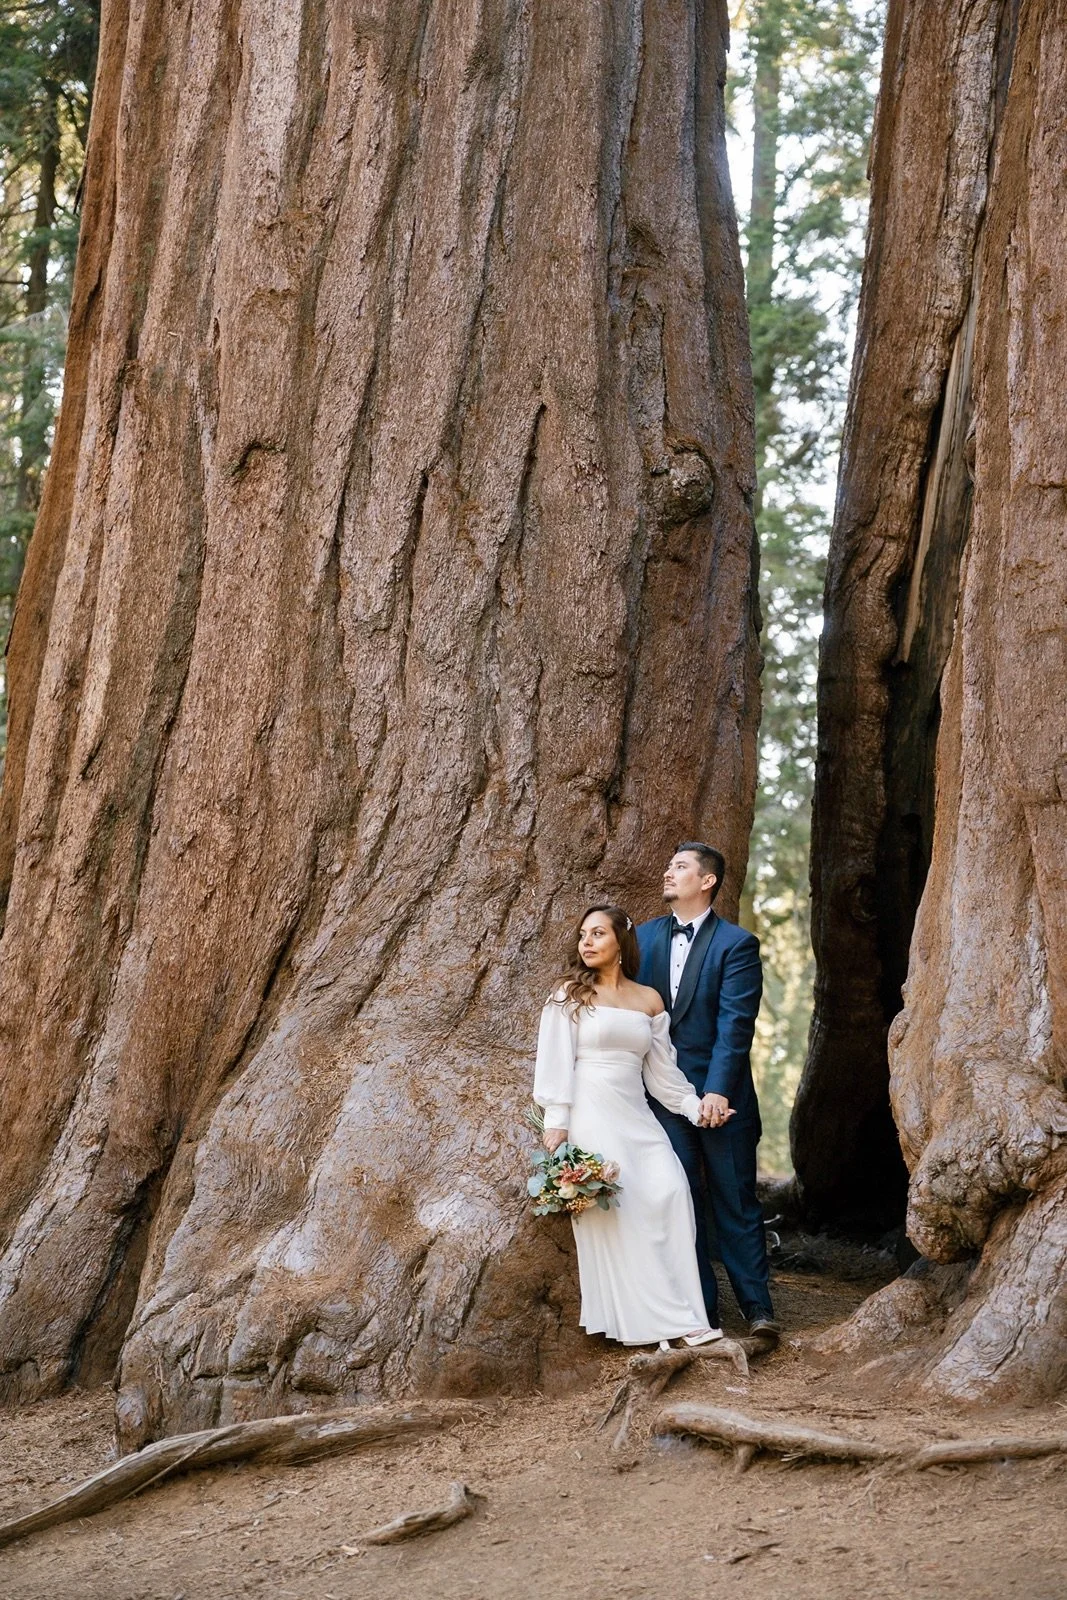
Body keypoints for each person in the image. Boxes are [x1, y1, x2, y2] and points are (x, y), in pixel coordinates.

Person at [533, 904, 725, 1347]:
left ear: (621, 942)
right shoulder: (568, 994)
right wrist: (556, 1123)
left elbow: (662, 1075)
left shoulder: (648, 999)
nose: (587, 942)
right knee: (623, 1207)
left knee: (671, 1191)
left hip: (636, 1114)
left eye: (598, 933)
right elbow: (554, 1062)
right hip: (591, 1112)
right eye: (583, 934)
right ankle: (657, 1323)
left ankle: (687, 1313)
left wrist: (696, 1108)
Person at [636, 843, 779, 1343]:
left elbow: (735, 1025)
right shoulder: (641, 938)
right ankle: (703, 1314)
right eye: (669, 863)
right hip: (661, 1100)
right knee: (683, 1202)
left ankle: (759, 1308)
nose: (668, 872)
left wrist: (716, 1091)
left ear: (708, 881)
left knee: (735, 1201)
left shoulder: (737, 945)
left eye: (680, 867)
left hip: (724, 1099)